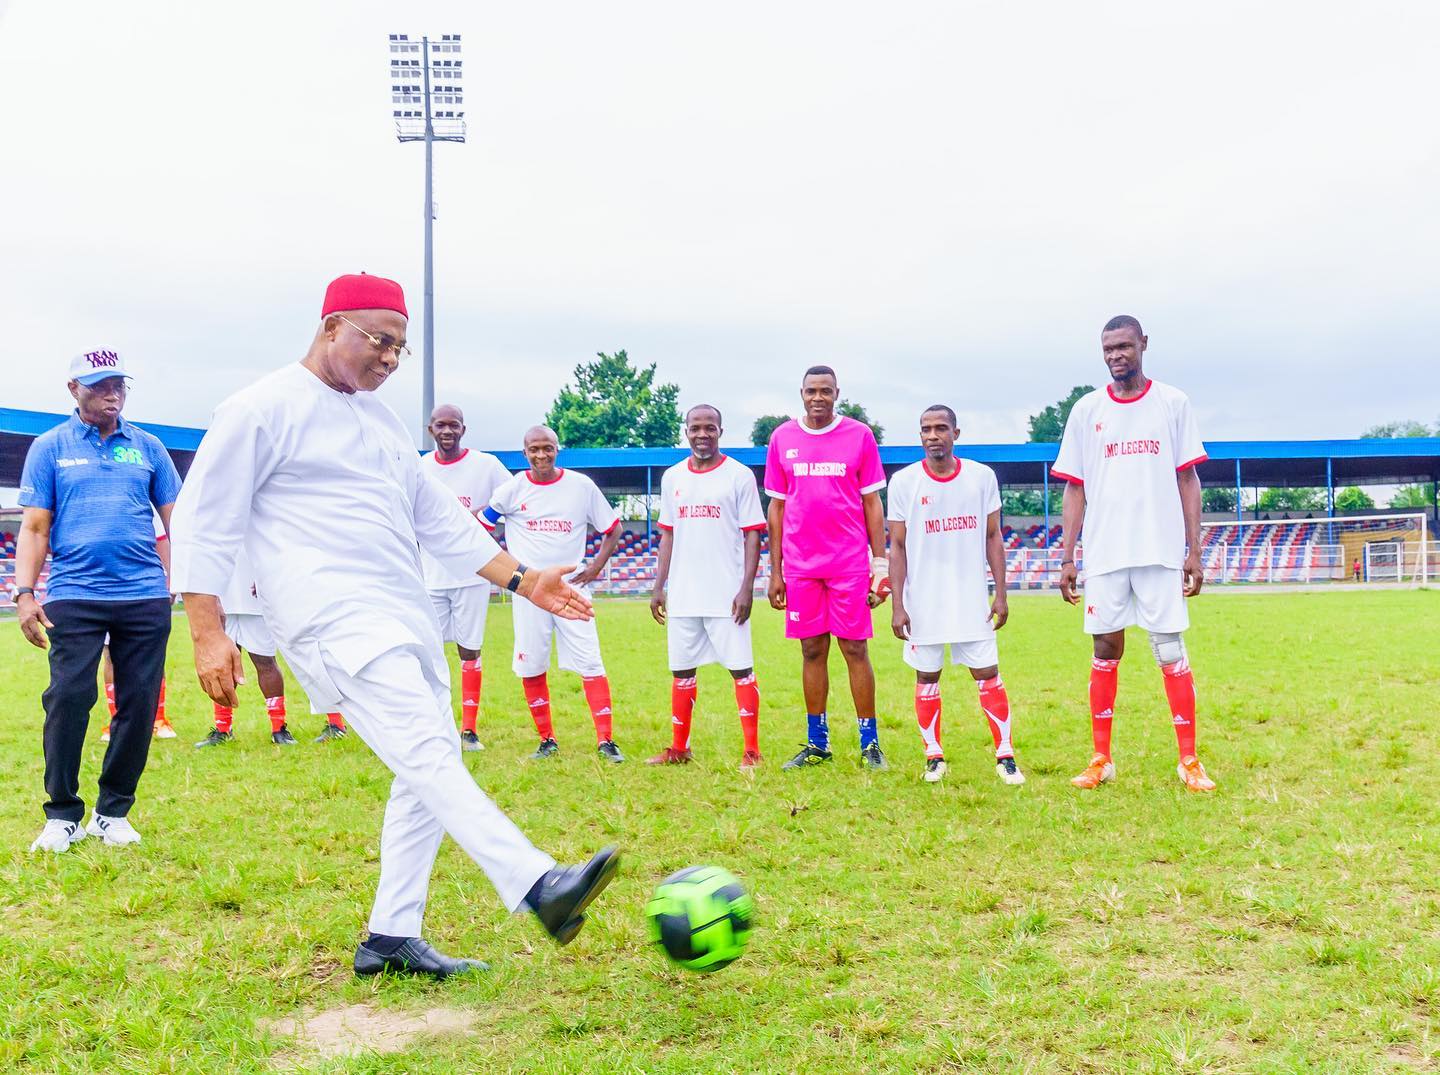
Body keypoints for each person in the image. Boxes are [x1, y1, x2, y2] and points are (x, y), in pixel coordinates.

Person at [169, 274, 619, 978]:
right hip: (330, 615)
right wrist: (206, 628)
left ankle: (390, 935)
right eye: (379, 340)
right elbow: (204, 517)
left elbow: (435, 515)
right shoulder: (260, 408)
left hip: (400, 610)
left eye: (400, 349)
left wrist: (525, 578)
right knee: (427, 753)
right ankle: (538, 883)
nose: (388, 358)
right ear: (329, 326)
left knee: (427, 760)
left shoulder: (381, 422)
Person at [15, 349, 182, 852]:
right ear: (74, 389)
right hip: (74, 593)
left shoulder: (150, 447)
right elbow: (35, 526)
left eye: (119, 384)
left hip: (144, 595)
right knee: (68, 697)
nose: (113, 392)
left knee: (139, 703)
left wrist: (181, 584)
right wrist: (25, 593)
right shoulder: (50, 447)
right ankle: (62, 813)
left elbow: (178, 523)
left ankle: (112, 813)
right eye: (100, 384)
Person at [1052, 314, 1216, 793]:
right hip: (1105, 553)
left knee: (1169, 649)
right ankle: (1101, 757)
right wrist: (1067, 557)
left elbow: (1188, 478)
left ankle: (1189, 760)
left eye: (1124, 346)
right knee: (1105, 647)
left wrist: (1194, 550)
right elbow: (1075, 488)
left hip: (1161, 551)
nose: (1115, 356)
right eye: (1107, 349)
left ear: (1143, 344)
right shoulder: (1086, 410)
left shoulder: (1172, 403)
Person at [887, 406, 1024, 785]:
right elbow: (896, 546)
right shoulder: (903, 482)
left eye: (940, 428)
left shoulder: (981, 477)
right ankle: (934, 756)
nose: (933, 436)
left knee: (988, 674)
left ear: (956, 433)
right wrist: (898, 604)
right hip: (922, 601)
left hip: (970, 599)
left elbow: (993, 536)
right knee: (927, 676)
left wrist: (1000, 594)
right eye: (926, 430)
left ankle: (1005, 755)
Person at [764, 366, 890, 771]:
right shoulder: (782, 438)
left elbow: (872, 502)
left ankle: (870, 744)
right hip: (801, 566)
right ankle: (817, 743)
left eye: (826, 391)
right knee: (811, 649)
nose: (818, 397)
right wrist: (776, 570)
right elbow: (777, 508)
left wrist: (880, 563)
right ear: (801, 393)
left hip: (849, 563)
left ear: (838, 394)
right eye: (811, 391)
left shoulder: (859, 436)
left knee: (855, 648)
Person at [482, 426, 625, 762]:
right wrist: (509, 570)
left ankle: (606, 741)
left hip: (571, 590)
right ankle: (547, 740)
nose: (541, 455)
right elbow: (482, 527)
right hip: (530, 592)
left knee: (591, 661)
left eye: (547, 448)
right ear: (525, 452)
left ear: (557, 449)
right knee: (531, 663)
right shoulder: (512, 489)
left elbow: (613, 528)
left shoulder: (580, 486)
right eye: (534, 449)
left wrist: (594, 568)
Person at [648, 405, 766, 770]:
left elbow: (752, 535)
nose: (702, 434)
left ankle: (752, 751)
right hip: (684, 594)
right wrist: (659, 585)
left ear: (720, 430)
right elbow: (667, 534)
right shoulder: (672, 477)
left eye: (709, 428)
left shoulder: (738, 475)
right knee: (682, 671)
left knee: (741, 670)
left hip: (726, 594)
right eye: (695, 428)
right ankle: (679, 748)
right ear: (686, 431)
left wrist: (746, 587)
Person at [420, 403, 512, 752]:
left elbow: (514, 496)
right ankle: (435, 724)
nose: (447, 432)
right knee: (428, 651)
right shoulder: (420, 467)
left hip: (474, 573)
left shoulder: (486, 465)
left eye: (453, 426)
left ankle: (469, 730)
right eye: (440, 426)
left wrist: (484, 515)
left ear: (463, 429)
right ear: (430, 430)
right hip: (430, 574)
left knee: (469, 649)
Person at [193, 548, 301, 746]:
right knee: (222, 665)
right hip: (221, 603)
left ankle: (279, 729)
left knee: (265, 662)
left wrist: (267, 579)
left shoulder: (261, 517)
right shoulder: (214, 521)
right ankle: (222, 729)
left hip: (254, 601)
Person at [101, 514, 175, 741]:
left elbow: (162, 540)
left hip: (142, 590)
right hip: (100, 589)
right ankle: (116, 720)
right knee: (110, 656)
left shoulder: (143, 503)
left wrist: (171, 580)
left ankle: (158, 719)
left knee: (151, 656)